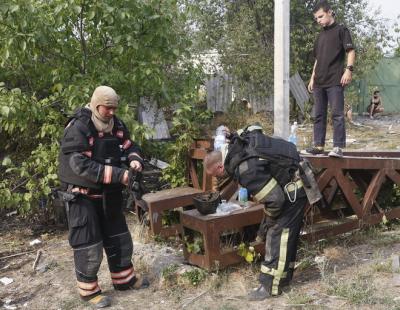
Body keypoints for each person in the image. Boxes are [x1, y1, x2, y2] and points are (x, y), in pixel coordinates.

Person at [58, 86, 149, 308]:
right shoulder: (79, 127)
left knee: (120, 239)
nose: (111, 112)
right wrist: (120, 175)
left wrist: (134, 159)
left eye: (114, 108)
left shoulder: (116, 125)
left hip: (110, 194)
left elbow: (129, 145)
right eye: (107, 108)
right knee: (89, 246)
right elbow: (79, 165)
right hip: (81, 196)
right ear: (96, 104)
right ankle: (89, 292)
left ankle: (124, 280)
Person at [204, 124, 307, 301]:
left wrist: (268, 221)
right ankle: (283, 278)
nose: (219, 178)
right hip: (296, 180)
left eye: (218, 175)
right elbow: (255, 126)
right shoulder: (239, 143)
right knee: (286, 237)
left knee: (277, 236)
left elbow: (275, 200)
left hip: (292, 191)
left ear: (220, 167)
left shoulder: (245, 169)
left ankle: (269, 286)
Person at [306, 1, 356, 158]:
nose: (318, 20)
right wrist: (312, 77)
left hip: (335, 80)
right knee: (319, 115)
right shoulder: (320, 36)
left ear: (329, 12)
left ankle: (338, 147)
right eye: (316, 19)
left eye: (320, 16)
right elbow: (318, 59)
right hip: (319, 81)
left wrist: (348, 70)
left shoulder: (341, 30)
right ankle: (319, 146)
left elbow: (351, 50)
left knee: (337, 114)